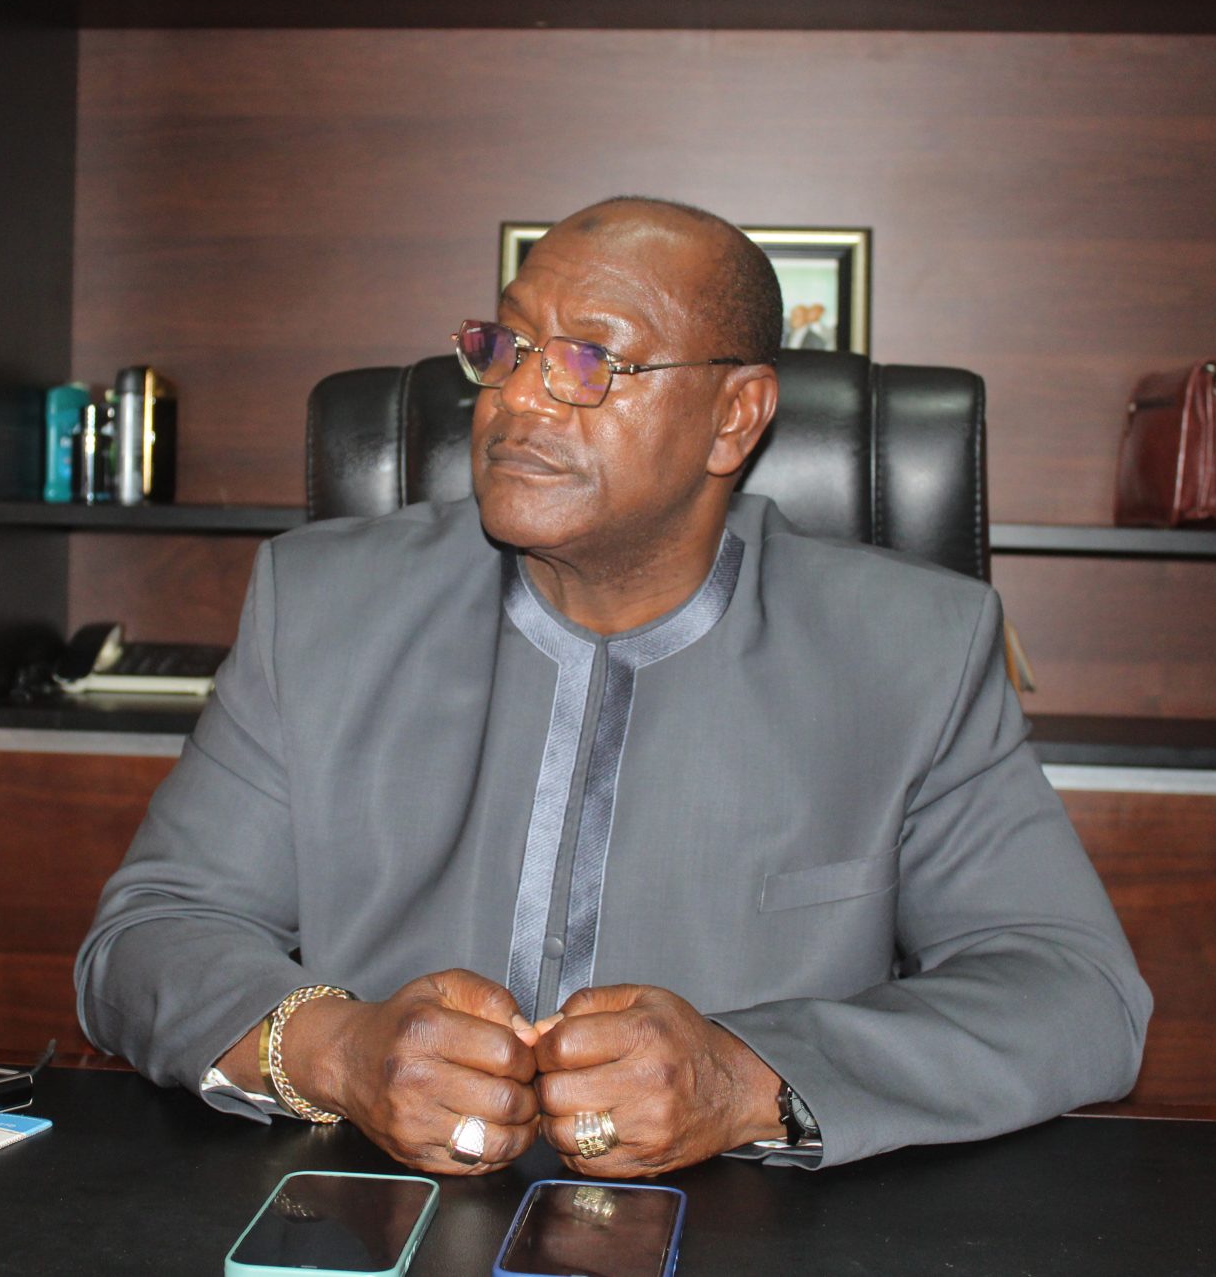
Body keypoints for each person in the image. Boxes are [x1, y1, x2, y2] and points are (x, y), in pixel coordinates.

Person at [75, 197, 1150, 1177]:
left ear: (734, 418)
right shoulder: (321, 607)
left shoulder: (911, 650)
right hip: (372, 1214)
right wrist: (339, 1052)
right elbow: (145, 939)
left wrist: (745, 1079)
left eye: (591, 361)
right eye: (505, 347)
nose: (516, 399)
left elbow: (1074, 994)